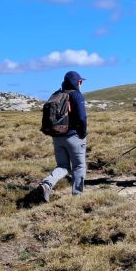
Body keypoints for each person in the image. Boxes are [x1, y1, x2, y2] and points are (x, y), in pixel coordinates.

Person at [36, 71, 87, 202]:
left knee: (62, 166)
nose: (81, 84)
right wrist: (82, 133)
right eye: (80, 81)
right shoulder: (76, 95)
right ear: (77, 82)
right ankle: (77, 197)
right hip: (74, 137)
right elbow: (82, 117)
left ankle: (46, 184)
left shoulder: (56, 94)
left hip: (57, 136)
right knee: (79, 166)